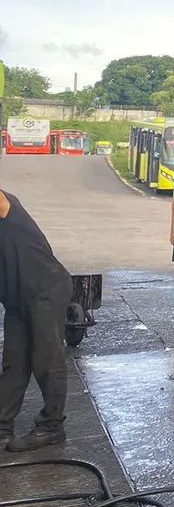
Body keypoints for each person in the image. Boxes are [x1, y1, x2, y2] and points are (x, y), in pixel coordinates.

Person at [0, 189, 73, 452]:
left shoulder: (6, 206)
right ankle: (2, 428)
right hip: (17, 298)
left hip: (45, 289)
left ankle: (52, 427)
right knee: (14, 362)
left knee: (46, 360)